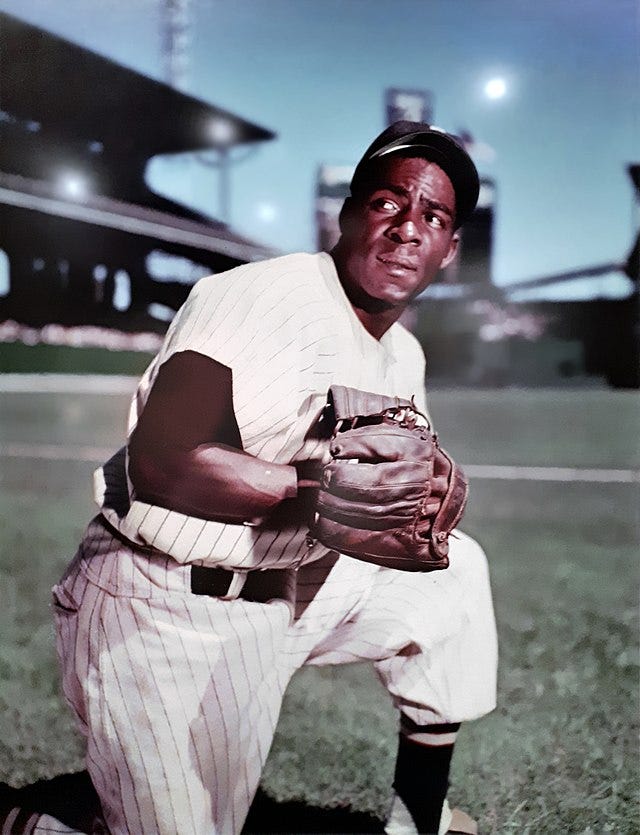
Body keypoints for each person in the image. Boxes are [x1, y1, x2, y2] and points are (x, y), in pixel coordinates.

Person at [3, 121, 498, 835]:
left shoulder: (404, 355)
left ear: (449, 249)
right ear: (350, 211)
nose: (407, 228)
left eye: (434, 216)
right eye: (389, 203)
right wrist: (315, 486)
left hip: (280, 598)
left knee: (456, 572)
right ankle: (28, 823)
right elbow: (164, 459)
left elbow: (378, 498)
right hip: (158, 600)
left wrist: (410, 508)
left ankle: (421, 818)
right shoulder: (256, 297)